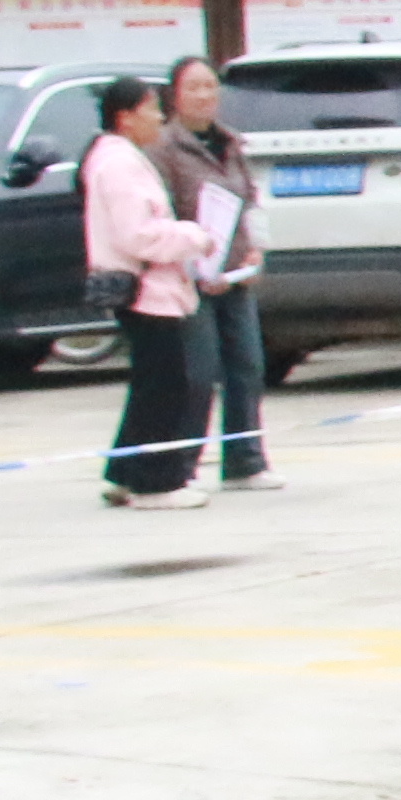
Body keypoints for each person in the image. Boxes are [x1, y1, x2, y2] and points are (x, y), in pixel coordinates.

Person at [79, 70, 220, 508]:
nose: (159, 119)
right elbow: (137, 235)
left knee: (149, 384)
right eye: (151, 110)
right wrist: (194, 236)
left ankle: (124, 471)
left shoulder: (118, 158)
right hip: (147, 290)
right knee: (165, 386)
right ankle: (155, 483)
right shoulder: (119, 163)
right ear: (125, 117)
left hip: (149, 289)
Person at [153, 53, 279, 490]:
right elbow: (161, 212)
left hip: (234, 277)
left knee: (247, 365)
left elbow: (250, 200)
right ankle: (181, 466)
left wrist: (255, 249)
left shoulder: (230, 143)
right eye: (193, 88)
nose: (204, 96)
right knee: (199, 373)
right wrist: (190, 261)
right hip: (190, 278)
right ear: (175, 96)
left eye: (210, 87)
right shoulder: (164, 147)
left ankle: (245, 460)